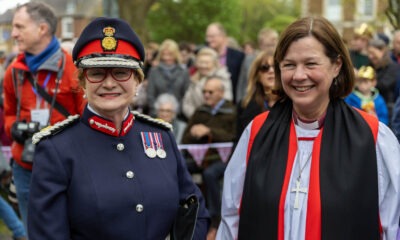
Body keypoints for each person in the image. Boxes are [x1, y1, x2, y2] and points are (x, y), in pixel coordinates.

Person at [216, 16, 400, 240]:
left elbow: (393, 225)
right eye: (289, 65)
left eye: (311, 64)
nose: (299, 75)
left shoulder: (372, 137)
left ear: (336, 66)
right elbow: (231, 219)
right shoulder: (257, 132)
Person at [27, 17, 209, 240]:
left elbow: (194, 208)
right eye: (97, 73)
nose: (109, 83)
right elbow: (47, 234)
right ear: (83, 83)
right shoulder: (56, 149)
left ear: (137, 82)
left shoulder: (161, 136)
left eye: (121, 72)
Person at [3, 2, 85, 231]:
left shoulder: (73, 69)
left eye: (19, 26)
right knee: (34, 230)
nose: (14, 33)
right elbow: (9, 113)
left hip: (66, 168)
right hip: (25, 165)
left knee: (70, 229)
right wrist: (14, 129)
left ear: (42, 29)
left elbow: (87, 119)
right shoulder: (13, 71)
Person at [182, 76, 236, 240]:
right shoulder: (200, 111)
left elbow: (233, 136)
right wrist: (194, 132)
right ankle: (185, 208)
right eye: (204, 92)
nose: (206, 95)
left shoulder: (232, 111)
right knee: (180, 167)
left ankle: (214, 218)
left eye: (210, 92)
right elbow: (185, 139)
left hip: (224, 159)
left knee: (210, 174)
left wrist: (209, 131)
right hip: (199, 158)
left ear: (221, 92)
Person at [237, 51, 278, 139]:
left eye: (276, 67)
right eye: (264, 68)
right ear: (257, 75)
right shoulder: (245, 105)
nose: (271, 71)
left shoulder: (294, 103)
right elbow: (239, 140)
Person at [182, 47, 232, 119]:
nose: (203, 66)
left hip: (216, 122)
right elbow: (187, 103)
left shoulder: (222, 78)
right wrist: (196, 117)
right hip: (195, 120)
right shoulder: (194, 79)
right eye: (201, 62)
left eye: (207, 63)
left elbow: (226, 102)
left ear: (214, 63)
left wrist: (207, 120)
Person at [146, 39, 191, 117]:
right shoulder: (154, 71)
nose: (167, 58)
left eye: (170, 54)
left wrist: (175, 112)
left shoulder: (183, 72)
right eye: (164, 54)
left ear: (176, 54)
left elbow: (186, 95)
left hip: (178, 115)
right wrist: (159, 112)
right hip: (156, 115)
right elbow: (150, 95)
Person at [205, 22, 245, 102]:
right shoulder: (204, 55)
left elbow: (242, 83)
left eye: (212, 36)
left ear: (222, 36)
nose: (208, 40)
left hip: (232, 104)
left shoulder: (238, 56)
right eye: (207, 37)